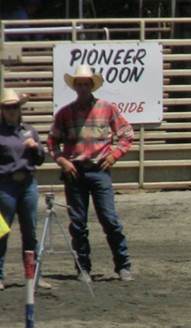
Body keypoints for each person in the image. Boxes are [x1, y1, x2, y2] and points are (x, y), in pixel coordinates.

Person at [47, 64, 134, 282]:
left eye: (87, 84)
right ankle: (82, 267)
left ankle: (123, 265)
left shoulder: (107, 108)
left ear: (91, 86)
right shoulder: (64, 113)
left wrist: (114, 155)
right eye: (80, 84)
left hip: (99, 170)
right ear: (75, 87)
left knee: (110, 219)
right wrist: (63, 161)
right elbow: (52, 143)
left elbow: (126, 134)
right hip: (75, 171)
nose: (83, 87)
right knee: (78, 223)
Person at [0, 88, 47, 292]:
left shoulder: (29, 131)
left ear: (20, 109)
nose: (12, 110)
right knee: (1, 231)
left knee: (30, 231)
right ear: (2, 110)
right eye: (8, 107)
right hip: (5, 185)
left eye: (15, 107)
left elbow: (41, 159)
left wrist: (35, 147)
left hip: (28, 184)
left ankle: (34, 275)